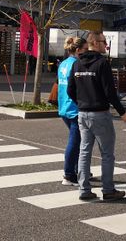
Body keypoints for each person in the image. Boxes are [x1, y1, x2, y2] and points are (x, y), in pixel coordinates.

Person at [67, 31, 126, 201]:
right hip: (100, 114)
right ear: (94, 42)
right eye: (104, 42)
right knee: (107, 153)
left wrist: (82, 102)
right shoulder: (102, 63)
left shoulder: (77, 63)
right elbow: (110, 92)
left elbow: (70, 90)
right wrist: (123, 112)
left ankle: (84, 189)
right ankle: (108, 190)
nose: (106, 45)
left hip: (82, 114)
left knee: (84, 152)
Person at [57, 36, 87, 186]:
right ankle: (69, 174)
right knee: (75, 143)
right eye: (85, 49)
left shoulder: (63, 64)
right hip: (74, 108)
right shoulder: (77, 64)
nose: (87, 52)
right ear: (78, 50)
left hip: (64, 106)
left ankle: (77, 169)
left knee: (77, 141)